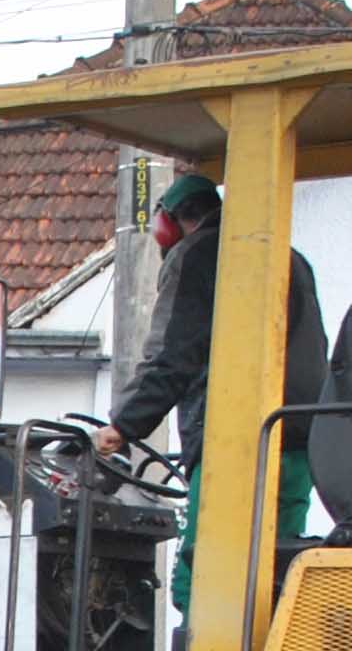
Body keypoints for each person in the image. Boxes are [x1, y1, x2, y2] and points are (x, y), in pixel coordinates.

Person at [95, 170, 329, 611]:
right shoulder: (290, 258)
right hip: (298, 441)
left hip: (234, 445)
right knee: (280, 570)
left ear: (171, 222)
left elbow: (170, 354)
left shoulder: (197, 253)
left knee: (203, 580)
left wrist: (123, 425)